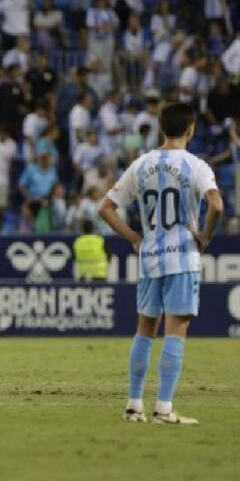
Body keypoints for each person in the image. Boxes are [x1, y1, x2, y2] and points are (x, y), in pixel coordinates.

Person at [98, 102, 224, 424]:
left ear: (160, 127)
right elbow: (217, 205)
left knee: (144, 331)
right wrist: (205, 237)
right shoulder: (196, 165)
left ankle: (133, 404)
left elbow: (106, 208)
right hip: (182, 257)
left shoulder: (141, 165)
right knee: (176, 332)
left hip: (150, 257)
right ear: (191, 129)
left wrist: (134, 238)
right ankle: (164, 408)